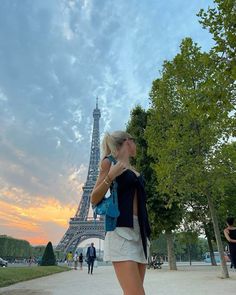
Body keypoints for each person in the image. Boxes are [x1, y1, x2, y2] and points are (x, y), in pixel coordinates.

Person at [91, 131, 151, 295]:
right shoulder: (109, 163)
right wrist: (110, 176)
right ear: (127, 142)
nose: (136, 145)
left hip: (141, 232)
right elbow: (94, 198)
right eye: (135, 141)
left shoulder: (133, 169)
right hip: (121, 230)